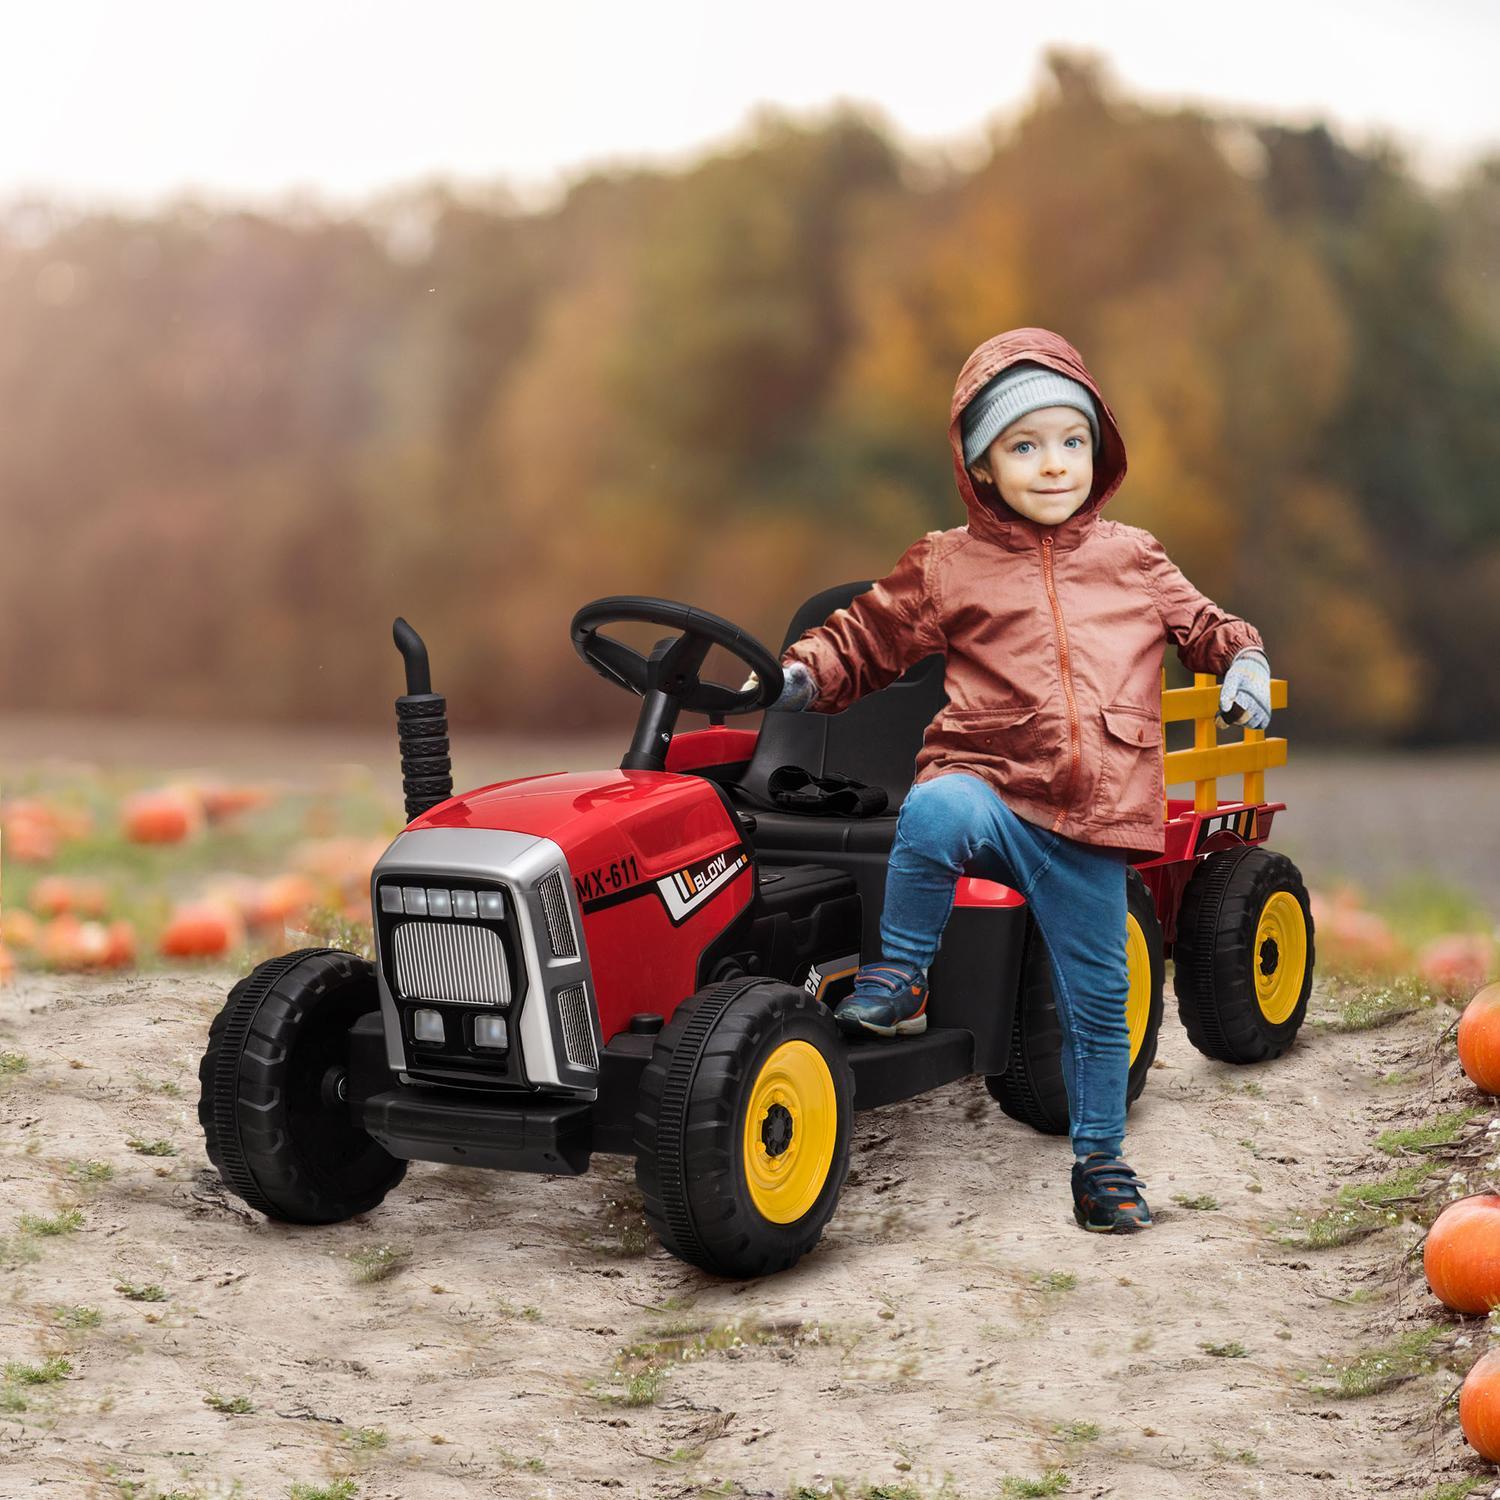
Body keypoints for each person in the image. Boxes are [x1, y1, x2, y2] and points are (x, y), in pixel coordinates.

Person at [744, 328, 1271, 1233]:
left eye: (1071, 441)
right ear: (982, 467)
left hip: (1096, 818)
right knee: (937, 808)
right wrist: (800, 674)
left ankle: (1101, 1163)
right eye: (1023, 447)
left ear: (1098, 448)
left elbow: (1204, 624)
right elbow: (865, 636)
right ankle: (903, 976)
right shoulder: (949, 563)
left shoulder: (1134, 557)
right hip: (992, 781)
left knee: (1100, 1004)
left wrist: (1242, 661)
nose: (1053, 464)